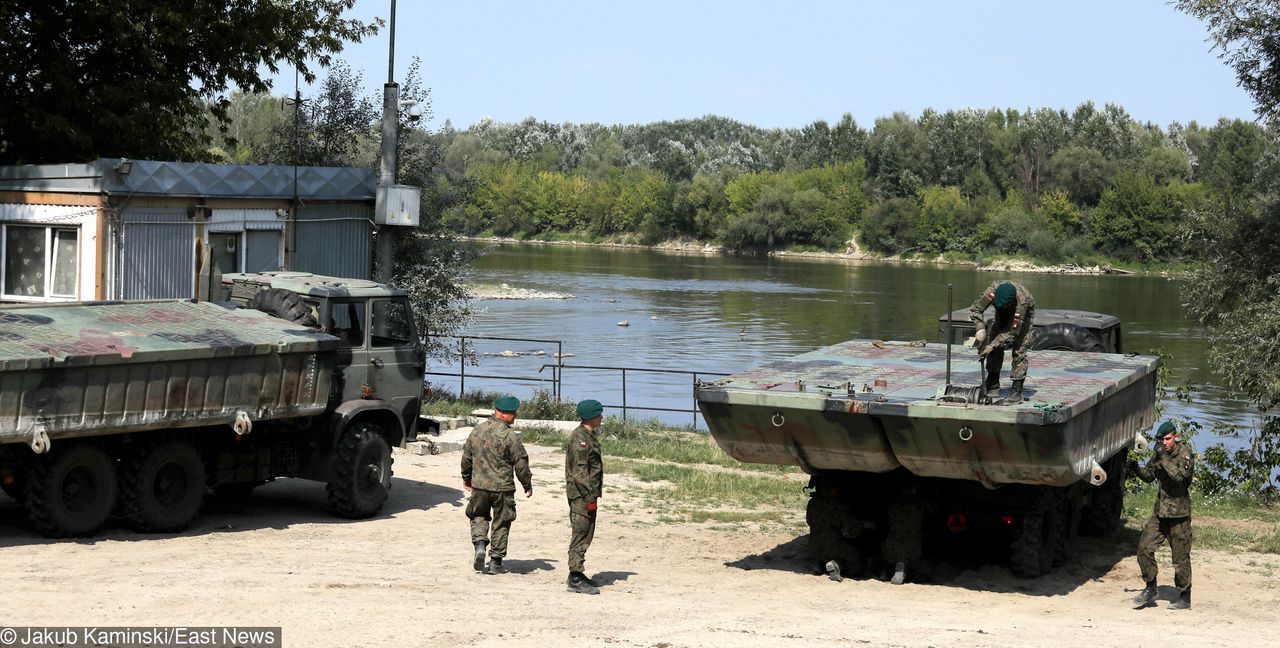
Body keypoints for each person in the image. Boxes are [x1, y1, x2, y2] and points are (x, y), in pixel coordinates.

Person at [461, 395, 533, 575]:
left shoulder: (477, 431)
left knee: (478, 516)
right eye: (511, 413)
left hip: (480, 486)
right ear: (500, 413)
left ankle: (479, 544)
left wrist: (467, 478)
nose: (515, 416)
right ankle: (496, 562)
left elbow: (466, 458)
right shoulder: (510, 436)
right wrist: (527, 484)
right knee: (502, 522)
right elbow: (521, 462)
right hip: (503, 488)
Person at [1129, 420, 1194, 610]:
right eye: (1162, 440)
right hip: (1160, 513)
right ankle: (1151, 587)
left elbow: (1180, 478)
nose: (1165, 443)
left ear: (1175, 436)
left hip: (1179, 515)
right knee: (1144, 548)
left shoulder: (1185, 453)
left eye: (1167, 439)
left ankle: (1184, 596)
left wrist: (1162, 456)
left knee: (1180, 558)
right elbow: (1149, 476)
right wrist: (1135, 468)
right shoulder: (1159, 454)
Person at [969, 279, 1036, 402]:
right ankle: (993, 382)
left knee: (1019, 350)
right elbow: (975, 309)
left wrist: (991, 346)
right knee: (994, 342)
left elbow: (1012, 333)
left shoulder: (1022, 302)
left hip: (1023, 317)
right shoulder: (992, 291)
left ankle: (1017, 389)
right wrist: (980, 328)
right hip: (1001, 315)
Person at [565, 399, 605, 595]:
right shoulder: (581, 440)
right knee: (581, 534)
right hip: (582, 496)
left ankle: (578, 574)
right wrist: (590, 496)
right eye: (599, 415)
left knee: (586, 534)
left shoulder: (588, 436)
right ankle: (575, 577)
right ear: (592, 417)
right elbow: (579, 473)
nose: (602, 418)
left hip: (587, 495)